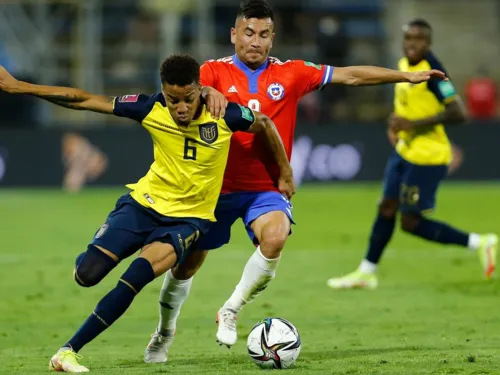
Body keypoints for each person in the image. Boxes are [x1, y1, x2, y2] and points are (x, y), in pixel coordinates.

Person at [144, 1, 450, 363]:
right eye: (247, 33)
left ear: (272, 39)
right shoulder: (211, 72)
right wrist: (208, 92)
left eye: (262, 35)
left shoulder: (292, 73)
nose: (254, 41)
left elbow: (350, 75)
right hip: (215, 188)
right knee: (186, 266)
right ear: (233, 34)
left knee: (275, 237)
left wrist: (406, 76)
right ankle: (164, 332)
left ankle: (230, 309)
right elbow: (183, 95)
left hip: (266, 188)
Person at [0, 53, 293, 373]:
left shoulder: (226, 114)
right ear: (162, 92)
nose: (180, 108)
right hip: (143, 205)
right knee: (87, 275)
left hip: (189, 220)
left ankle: (68, 351)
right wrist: (19, 87)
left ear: (200, 89)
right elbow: (83, 100)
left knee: (134, 279)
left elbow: (263, 123)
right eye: (172, 99)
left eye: (188, 98)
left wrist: (284, 172)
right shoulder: (149, 107)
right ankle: (96, 258)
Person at [327, 19, 498, 290]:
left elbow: (458, 113)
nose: (412, 44)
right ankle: (366, 272)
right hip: (405, 151)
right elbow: (406, 105)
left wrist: (412, 125)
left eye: (418, 40)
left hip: (428, 157)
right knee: (386, 207)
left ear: (428, 44)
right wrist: (396, 123)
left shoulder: (435, 73)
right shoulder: (405, 66)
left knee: (410, 222)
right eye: (408, 38)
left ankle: (481, 242)